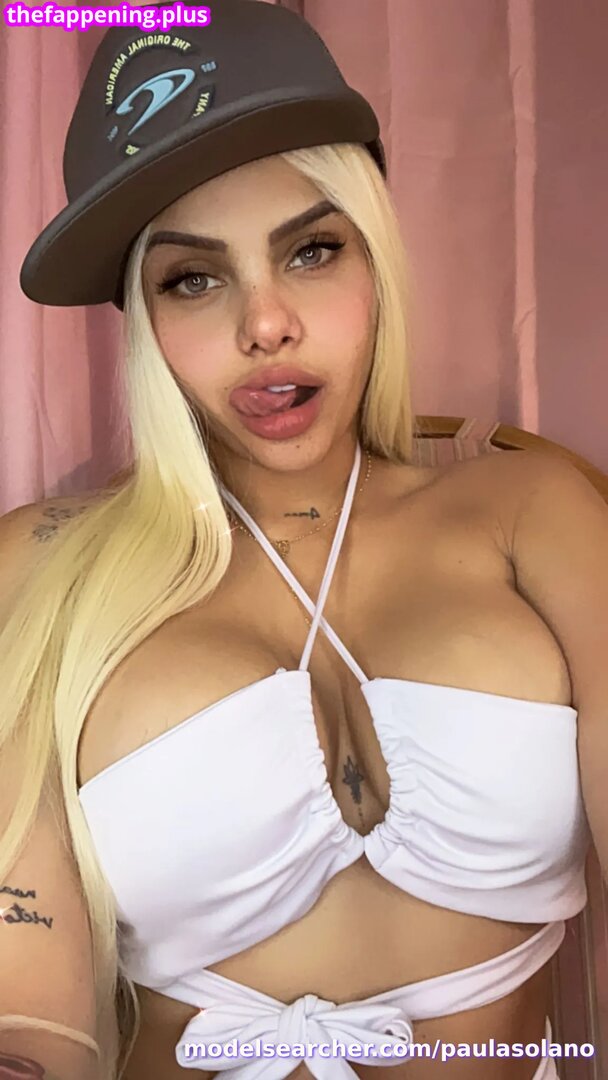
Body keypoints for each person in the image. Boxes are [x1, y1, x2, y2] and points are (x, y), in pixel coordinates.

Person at [1, 1, 606, 1078]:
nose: (266, 324)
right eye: (193, 279)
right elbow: (29, 1009)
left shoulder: (533, 511)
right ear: (144, 323)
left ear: (375, 259)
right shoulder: (42, 566)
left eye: (313, 251)